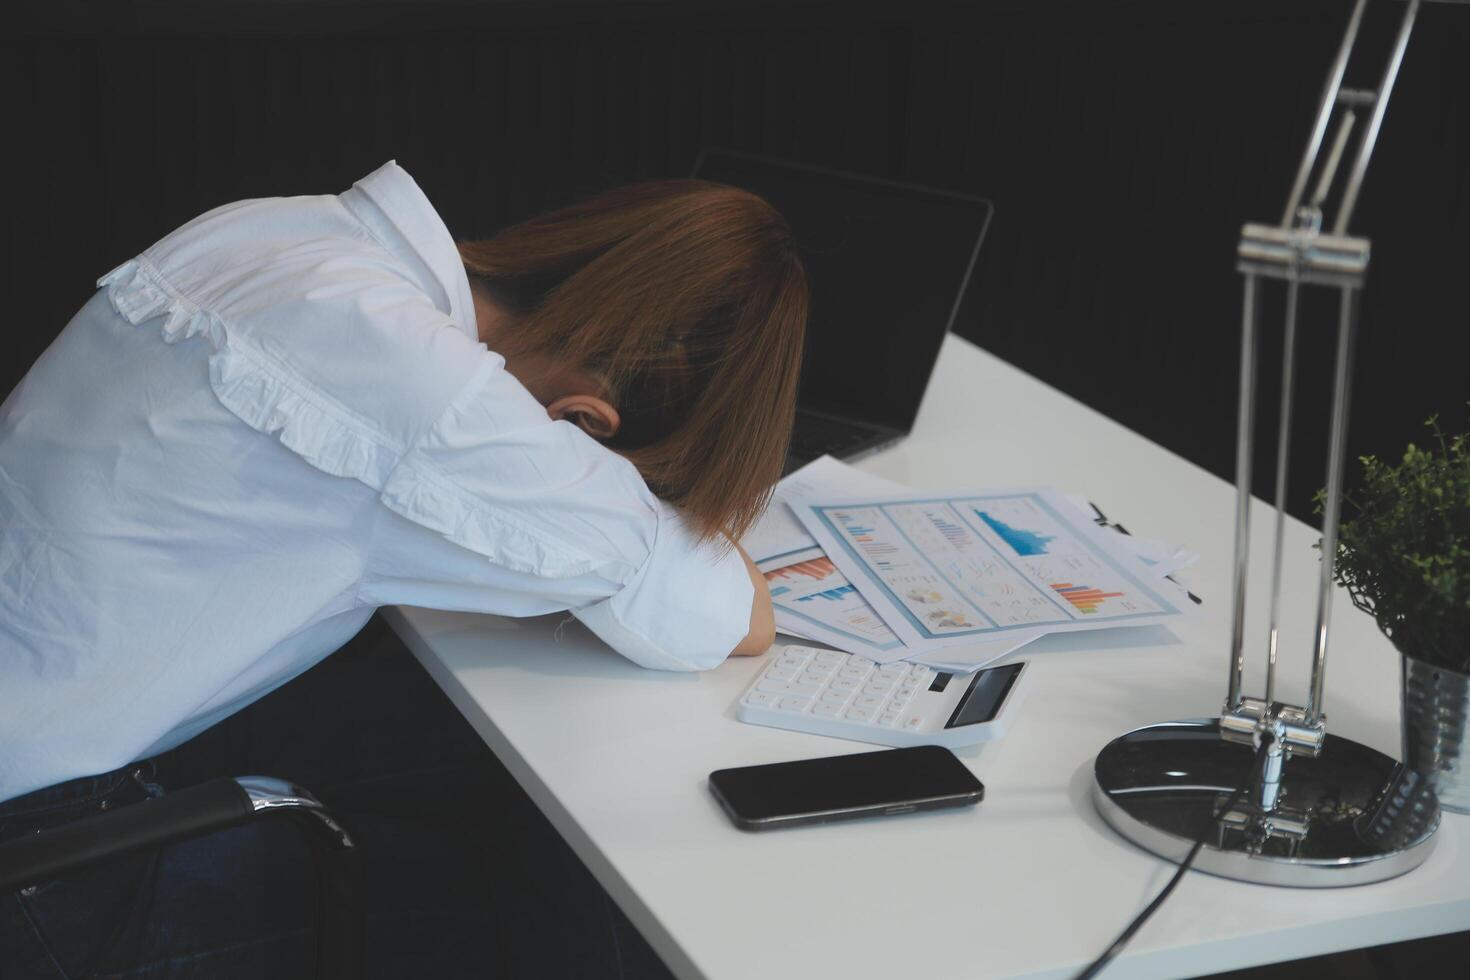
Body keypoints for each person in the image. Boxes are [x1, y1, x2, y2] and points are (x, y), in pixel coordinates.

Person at [0, 160, 808, 977]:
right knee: (558, 903)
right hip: (47, 875)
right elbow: (730, 613)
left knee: (469, 756)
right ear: (583, 425)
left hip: (64, 741)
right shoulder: (443, 403)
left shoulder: (286, 227)